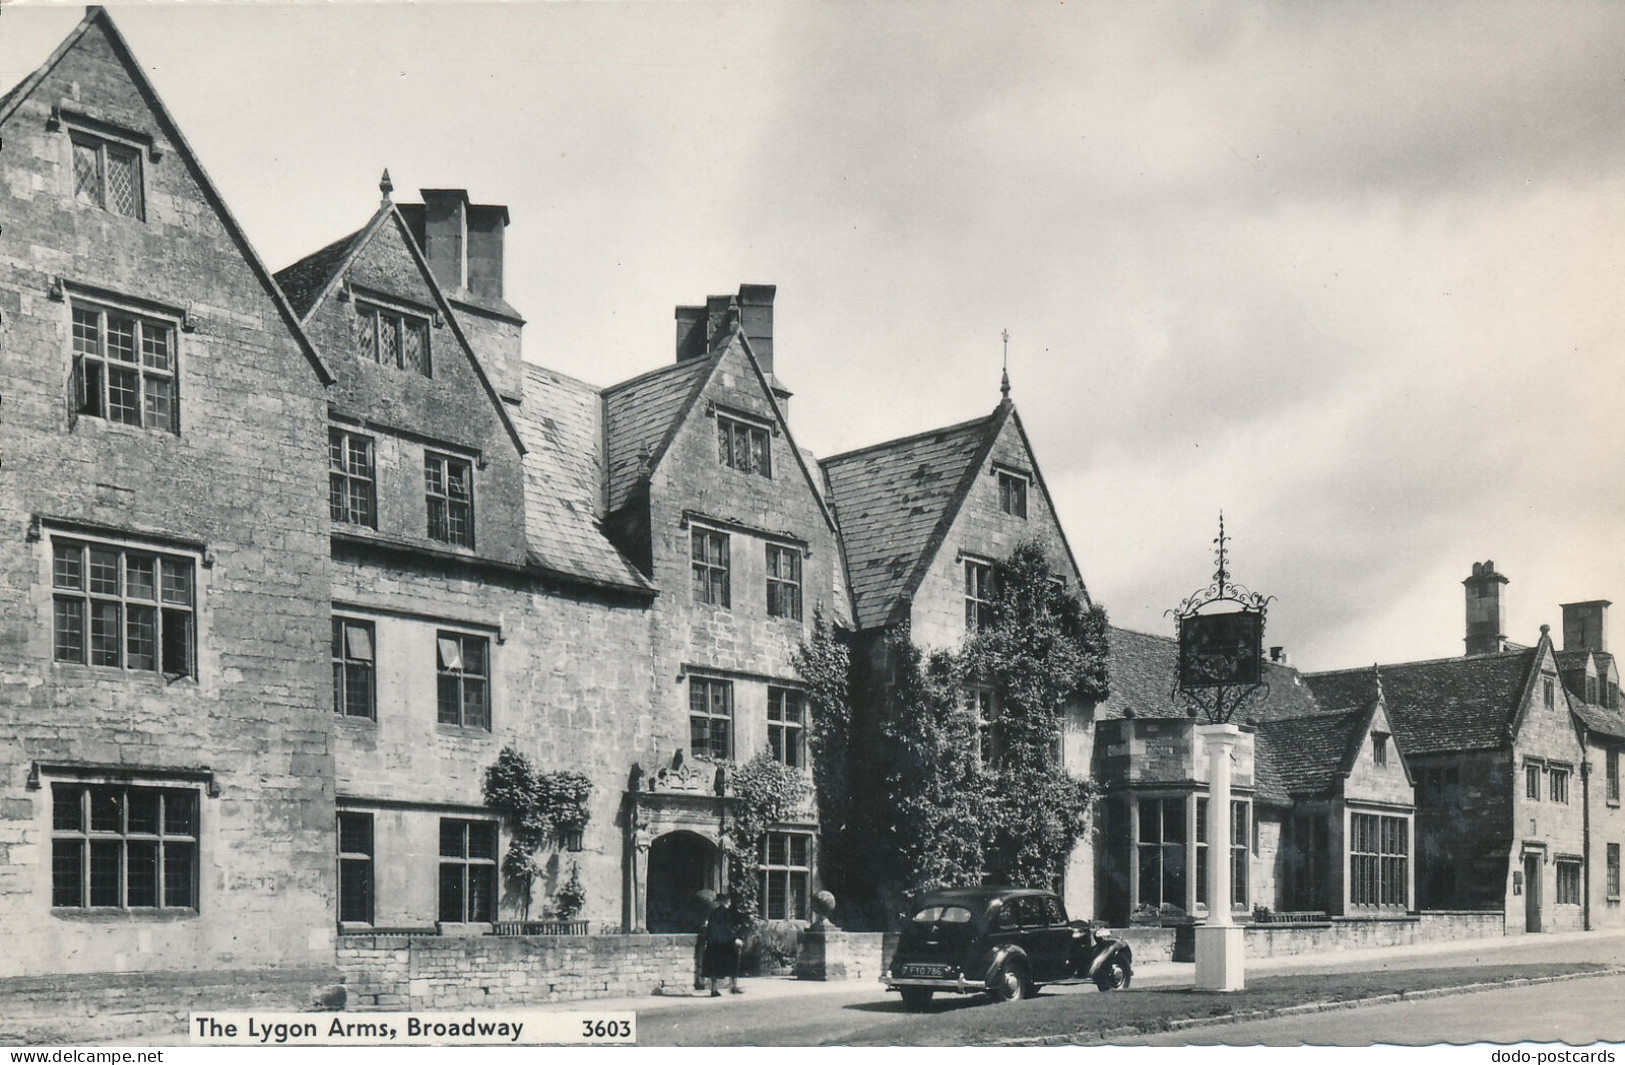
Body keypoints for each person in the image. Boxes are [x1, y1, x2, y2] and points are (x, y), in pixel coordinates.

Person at [702, 892, 744, 996]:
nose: (730, 903)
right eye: (728, 901)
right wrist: (734, 939)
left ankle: (713, 989)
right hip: (726, 943)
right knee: (732, 963)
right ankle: (733, 986)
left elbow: (711, 928)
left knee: (714, 966)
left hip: (714, 942)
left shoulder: (712, 912)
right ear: (724, 902)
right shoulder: (725, 912)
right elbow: (726, 928)